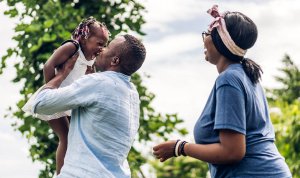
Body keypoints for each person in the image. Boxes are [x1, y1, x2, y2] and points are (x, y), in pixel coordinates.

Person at [153, 5, 292, 178]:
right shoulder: (246, 77)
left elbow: (232, 151)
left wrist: (180, 147)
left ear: (220, 40)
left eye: (208, 34)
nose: (204, 39)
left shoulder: (229, 80)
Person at [32, 34, 146, 177]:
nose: (101, 50)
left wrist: (62, 74)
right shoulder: (132, 94)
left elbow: (40, 103)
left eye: (107, 47)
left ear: (115, 60)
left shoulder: (98, 83)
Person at [22, 17, 110, 174]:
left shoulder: (92, 57)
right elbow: (48, 65)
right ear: (85, 37)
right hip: (57, 98)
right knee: (66, 136)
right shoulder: (72, 47)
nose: (102, 48)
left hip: (69, 101)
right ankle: (60, 174)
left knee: (76, 138)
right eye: (99, 43)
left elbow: (91, 76)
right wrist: (52, 95)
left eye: (105, 45)